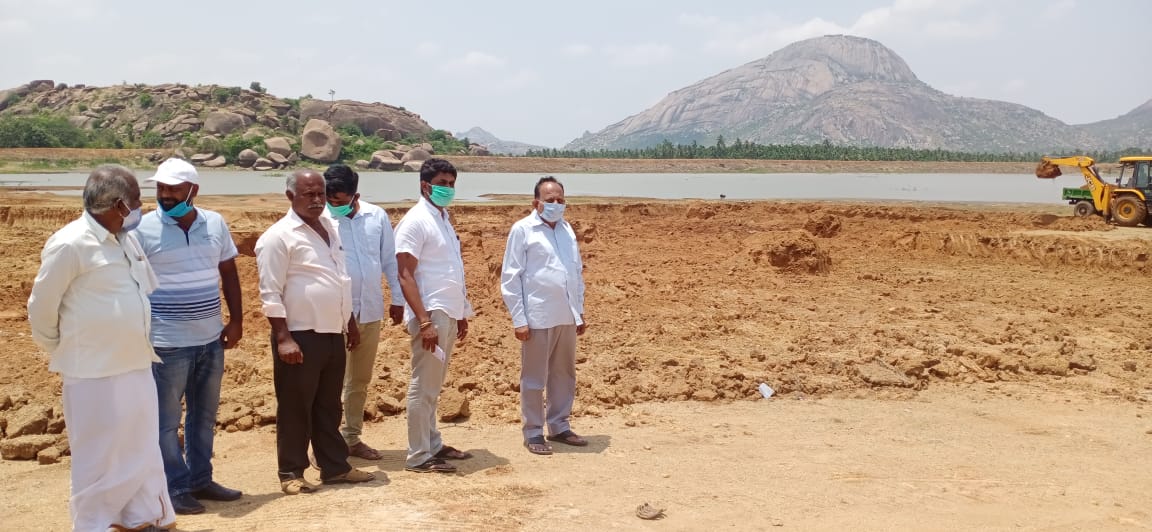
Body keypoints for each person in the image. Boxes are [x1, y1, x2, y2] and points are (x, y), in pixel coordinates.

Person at [27, 165, 175, 531]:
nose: (142, 207)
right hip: (92, 371)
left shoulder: (124, 238)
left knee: (139, 447)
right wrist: (66, 348)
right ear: (119, 204)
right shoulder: (70, 243)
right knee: (98, 455)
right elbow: (41, 307)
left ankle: (140, 518)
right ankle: (94, 523)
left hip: (136, 362)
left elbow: (140, 290)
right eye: (137, 200)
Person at [132, 158, 243, 514]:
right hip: (167, 342)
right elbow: (131, 284)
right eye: (161, 187)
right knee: (166, 422)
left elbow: (228, 271)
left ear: (193, 190)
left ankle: (200, 479)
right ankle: (175, 487)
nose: (165, 194)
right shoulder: (141, 228)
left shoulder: (215, 223)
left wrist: (236, 320)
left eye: (174, 188)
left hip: (211, 339)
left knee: (204, 415)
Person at [255, 169, 375, 494]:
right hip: (299, 335)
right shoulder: (278, 237)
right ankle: (291, 473)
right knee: (296, 406)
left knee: (328, 406)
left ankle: (335, 467)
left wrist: (349, 323)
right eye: (309, 194)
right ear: (290, 196)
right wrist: (283, 338)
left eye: (321, 193)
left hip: (333, 331)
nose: (317, 200)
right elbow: (270, 292)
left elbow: (340, 278)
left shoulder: (329, 227)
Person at [394, 158, 475, 473]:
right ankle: (418, 455)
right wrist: (425, 321)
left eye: (452, 184)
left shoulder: (442, 218)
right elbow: (405, 275)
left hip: (447, 311)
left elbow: (450, 270)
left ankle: (432, 443)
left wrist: (462, 312)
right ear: (425, 185)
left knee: (434, 384)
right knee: (423, 384)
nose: (448, 189)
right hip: (431, 314)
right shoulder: (415, 221)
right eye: (443, 183)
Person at [500, 176, 588, 455]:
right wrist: (519, 319)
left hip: (565, 314)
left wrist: (579, 311)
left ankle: (559, 425)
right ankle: (534, 432)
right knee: (534, 378)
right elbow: (511, 277)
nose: (556, 204)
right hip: (537, 316)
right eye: (550, 200)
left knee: (563, 374)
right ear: (535, 203)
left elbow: (575, 272)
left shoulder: (567, 229)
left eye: (560, 200)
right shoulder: (522, 230)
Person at [322, 164, 404, 460]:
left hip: (370, 310)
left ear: (355, 196)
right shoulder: (322, 221)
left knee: (359, 380)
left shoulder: (376, 216)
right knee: (330, 382)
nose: (334, 205)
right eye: (331, 200)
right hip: (334, 315)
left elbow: (389, 260)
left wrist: (398, 298)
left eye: (341, 201)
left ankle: (351, 438)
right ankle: (325, 444)